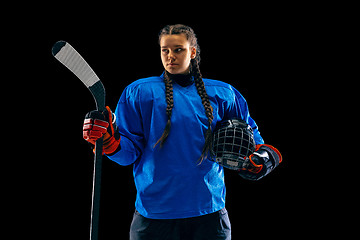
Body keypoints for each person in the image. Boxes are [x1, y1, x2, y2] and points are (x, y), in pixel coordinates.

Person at [83, 24, 282, 240]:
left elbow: (253, 139)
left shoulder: (223, 93)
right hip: (153, 217)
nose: (170, 56)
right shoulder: (138, 92)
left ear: (193, 52)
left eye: (178, 49)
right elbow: (128, 154)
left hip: (208, 214)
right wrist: (109, 143)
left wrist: (262, 158)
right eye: (164, 50)